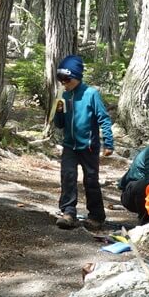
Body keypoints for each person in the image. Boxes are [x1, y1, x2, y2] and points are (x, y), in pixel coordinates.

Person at [52, 55, 115, 231]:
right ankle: (68, 212)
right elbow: (59, 124)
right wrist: (58, 110)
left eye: (67, 78)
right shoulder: (64, 95)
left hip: (89, 146)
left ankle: (96, 216)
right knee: (68, 177)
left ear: (77, 76)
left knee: (91, 181)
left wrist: (108, 143)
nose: (64, 82)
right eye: (60, 79)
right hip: (69, 145)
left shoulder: (91, 94)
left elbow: (104, 119)